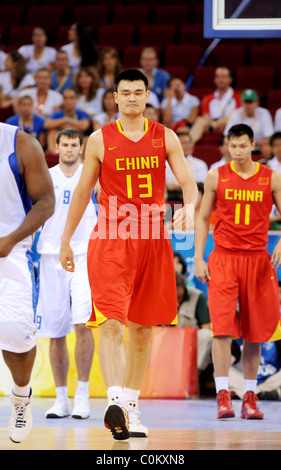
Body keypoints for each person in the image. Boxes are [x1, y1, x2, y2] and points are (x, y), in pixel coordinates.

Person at [59, 68, 198, 440]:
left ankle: (131, 410)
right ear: (115, 98)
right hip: (111, 240)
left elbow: (187, 181)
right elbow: (83, 190)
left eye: (139, 92)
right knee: (112, 324)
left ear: (148, 95)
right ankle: (115, 402)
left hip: (153, 239)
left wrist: (189, 204)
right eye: (126, 92)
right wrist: (65, 239)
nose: (133, 98)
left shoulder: (165, 136)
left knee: (141, 330)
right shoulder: (99, 140)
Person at [194, 123, 281, 420]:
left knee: (254, 334)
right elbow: (203, 217)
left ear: (253, 145)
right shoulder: (216, 175)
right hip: (224, 259)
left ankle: (250, 395)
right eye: (233, 146)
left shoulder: (272, 178)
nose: (239, 151)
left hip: (257, 260)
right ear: (227, 147)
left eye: (244, 146)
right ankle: (222, 395)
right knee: (220, 330)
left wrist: (280, 241)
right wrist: (197, 257)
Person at [36, 128, 97, 420]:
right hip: (50, 256)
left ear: (82, 147)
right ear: (56, 147)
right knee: (55, 331)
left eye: (75, 144)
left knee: (83, 324)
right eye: (65, 145)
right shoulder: (46, 176)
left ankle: (82, 396)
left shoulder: (93, 175)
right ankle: (61, 399)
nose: (70, 149)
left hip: (85, 254)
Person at [0, 122, 55, 443]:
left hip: (11, 252)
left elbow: (46, 201)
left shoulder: (19, 142)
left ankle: (21, 398)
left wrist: (11, 238)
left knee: (16, 336)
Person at [189, 67, 241, 144]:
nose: (220, 79)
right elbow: (206, 117)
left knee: (232, 121)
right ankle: (188, 144)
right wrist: (215, 124)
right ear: (214, 79)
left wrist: (222, 122)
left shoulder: (238, 97)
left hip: (231, 124)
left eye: (224, 77)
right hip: (212, 125)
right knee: (200, 120)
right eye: (218, 77)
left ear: (230, 79)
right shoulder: (207, 98)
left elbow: (239, 116)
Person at [176, 272, 212, 375]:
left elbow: (206, 326)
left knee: (206, 335)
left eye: (175, 287)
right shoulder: (164, 297)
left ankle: (194, 372)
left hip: (190, 341)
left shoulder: (197, 296)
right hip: (169, 340)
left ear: (182, 286)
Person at [224, 89, 274, 159]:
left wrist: (253, 144)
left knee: (267, 149)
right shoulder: (236, 113)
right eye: (246, 102)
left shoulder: (264, 113)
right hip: (240, 145)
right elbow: (227, 135)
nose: (248, 105)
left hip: (259, 145)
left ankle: (267, 167)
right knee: (226, 146)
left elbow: (269, 138)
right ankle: (232, 168)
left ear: (257, 103)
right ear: (241, 102)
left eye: (251, 102)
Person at [166, 129, 208, 201]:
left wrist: (178, 187)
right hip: (169, 197)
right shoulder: (165, 164)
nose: (187, 146)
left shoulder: (200, 164)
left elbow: (202, 186)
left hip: (192, 198)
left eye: (189, 142)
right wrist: (166, 186)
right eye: (183, 143)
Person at [44, 88, 91, 152]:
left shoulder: (81, 113)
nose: (68, 101)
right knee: (52, 132)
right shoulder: (57, 114)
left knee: (86, 138)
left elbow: (84, 125)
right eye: (66, 98)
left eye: (71, 98)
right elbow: (46, 124)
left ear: (75, 100)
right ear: (62, 100)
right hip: (60, 144)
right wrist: (66, 120)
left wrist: (64, 123)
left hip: (77, 145)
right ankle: (54, 156)